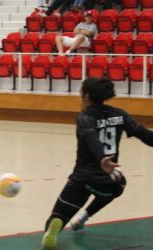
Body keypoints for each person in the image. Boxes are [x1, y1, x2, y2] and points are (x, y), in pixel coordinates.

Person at [41, 77, 153, 249]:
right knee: (120, 183)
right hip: (109, 181)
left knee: (58, 217)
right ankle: (83, 217)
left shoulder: (85, 118)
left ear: (86, 96)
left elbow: (91, 137)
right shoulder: (119, 114)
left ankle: (55, 227)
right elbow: (144, 134)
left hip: (82, 179)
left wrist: (101, 158)